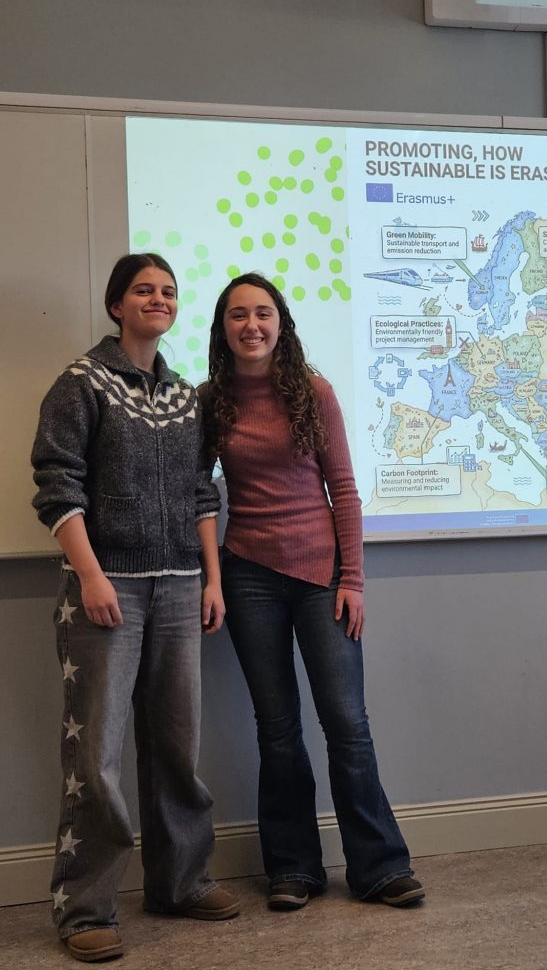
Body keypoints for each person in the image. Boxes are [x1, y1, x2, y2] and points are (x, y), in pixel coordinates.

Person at [31, 253, 239, 964]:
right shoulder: (81, 383)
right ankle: (85, 908)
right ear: (117, 304)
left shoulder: (186, 397)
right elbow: (57, 486)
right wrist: (90, 576)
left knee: (176, 745)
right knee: (96, 753)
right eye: (144, 290)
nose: (159, 300)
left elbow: (202, 493)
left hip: (181, 587)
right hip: (106, 589)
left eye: (169, 292)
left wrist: (212, 580)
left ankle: (180, 883)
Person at [201, 273, 425, 911]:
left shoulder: (312, 391)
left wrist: (353, 578)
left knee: (347, 724)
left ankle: (379, 867)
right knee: (276, 729)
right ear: (222, 328)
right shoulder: (210, 401)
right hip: (248, 576)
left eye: (262, 313)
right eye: (238, 314)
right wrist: (211, 577)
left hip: (322, 577)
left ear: (281, 323)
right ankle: (293, 868)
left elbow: (344, 490)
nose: (251, 325)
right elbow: (196, 493)